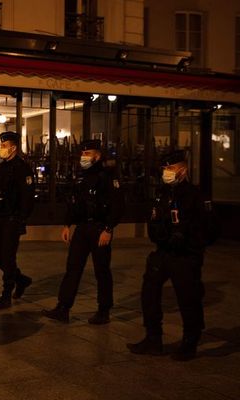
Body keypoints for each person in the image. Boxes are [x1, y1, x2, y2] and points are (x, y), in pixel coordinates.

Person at [128, 150, 210, 361]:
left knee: (188, 298)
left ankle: (189, 342)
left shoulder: (195, 195)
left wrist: (188, 239)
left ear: (183, 169)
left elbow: (208, 228)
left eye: (171, 168)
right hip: (163, 252)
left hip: (185, 255)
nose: (167, 172)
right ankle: (153, 338)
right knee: (149, 292)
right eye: (164, 168)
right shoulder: (163, 194)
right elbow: (156, 220)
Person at [42, 139, 124, 324]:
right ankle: (63, 308)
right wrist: (67, 224)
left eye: (87, 154)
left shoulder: (108, 176)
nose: (83, 157)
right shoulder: (82, 176)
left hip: (99, 228)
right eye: (82, 153)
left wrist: (108, 228)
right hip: (82, 228)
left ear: (97, 155)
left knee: (101, 270)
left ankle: (104, 310)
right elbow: (74, 203)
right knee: (73, 268)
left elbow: (118, 206)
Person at [0, 131, 35, 310]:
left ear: (13, 147)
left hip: (12, 218)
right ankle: (21, 279)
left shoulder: (22, 168)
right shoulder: (2, 167)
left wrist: (20, 219)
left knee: (8, 256)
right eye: (2, 145)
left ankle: (6, 293)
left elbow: (27, 197)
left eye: (5, 146)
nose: (2, 148)